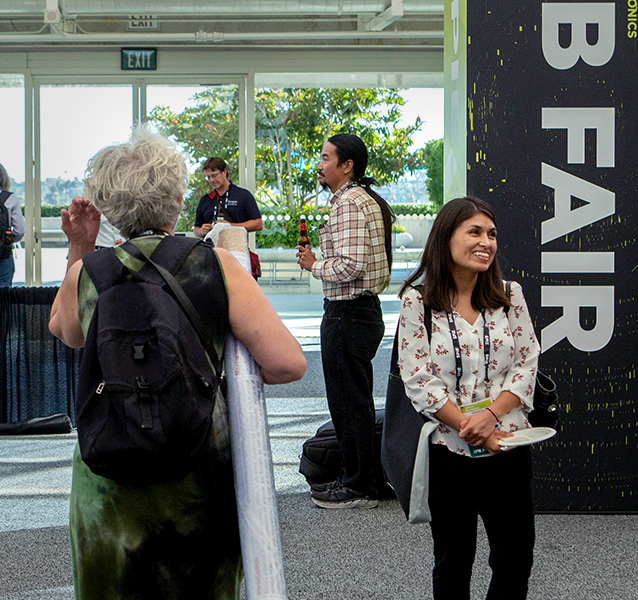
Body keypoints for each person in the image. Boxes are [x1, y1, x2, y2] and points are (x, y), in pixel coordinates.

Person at [48, 127, 306, 600]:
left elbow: (67, 333)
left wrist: (82, 247)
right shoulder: (215, 266)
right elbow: (288, 363)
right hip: (196, 469)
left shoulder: (89, 272)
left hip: (107, 477)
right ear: (179, 196)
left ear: (108, 205)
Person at [397, 196, 539, 599]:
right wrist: (468, 425)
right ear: (446, 238)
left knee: (515, 559)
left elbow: (528, 361)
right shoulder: (418, 301)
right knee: (453, 561)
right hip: (449, 450)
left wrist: (491, 417)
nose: (486, 242)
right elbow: (418, 377)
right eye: (474, 232)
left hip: (509, 445)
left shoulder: (510, 295)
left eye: (491, 234)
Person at [295, 133, 395, 509]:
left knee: (348, 402)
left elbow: (351, 266)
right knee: (356, 400)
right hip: (362, 312)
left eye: (325, 158)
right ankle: (363, 476)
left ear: (346, 165)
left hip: (348, 313)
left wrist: (314, 265)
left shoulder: (349, 204)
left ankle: (358, 485)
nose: (319, 165)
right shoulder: (365, 200)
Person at [192, 157, 263, 239]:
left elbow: (258, 224)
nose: (211, 180)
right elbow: (196, 228)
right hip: (211, 249)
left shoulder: (243, 195)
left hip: (237, 248)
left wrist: (229, 227)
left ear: (224, 172)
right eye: (208, 177)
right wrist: (201, 231)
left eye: (214, 175)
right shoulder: (205, 200)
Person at [0, 162, 26, 286]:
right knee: (4, 298)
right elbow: (20, 230)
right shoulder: (9, 198)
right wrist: (6, 240)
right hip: (3, 255)